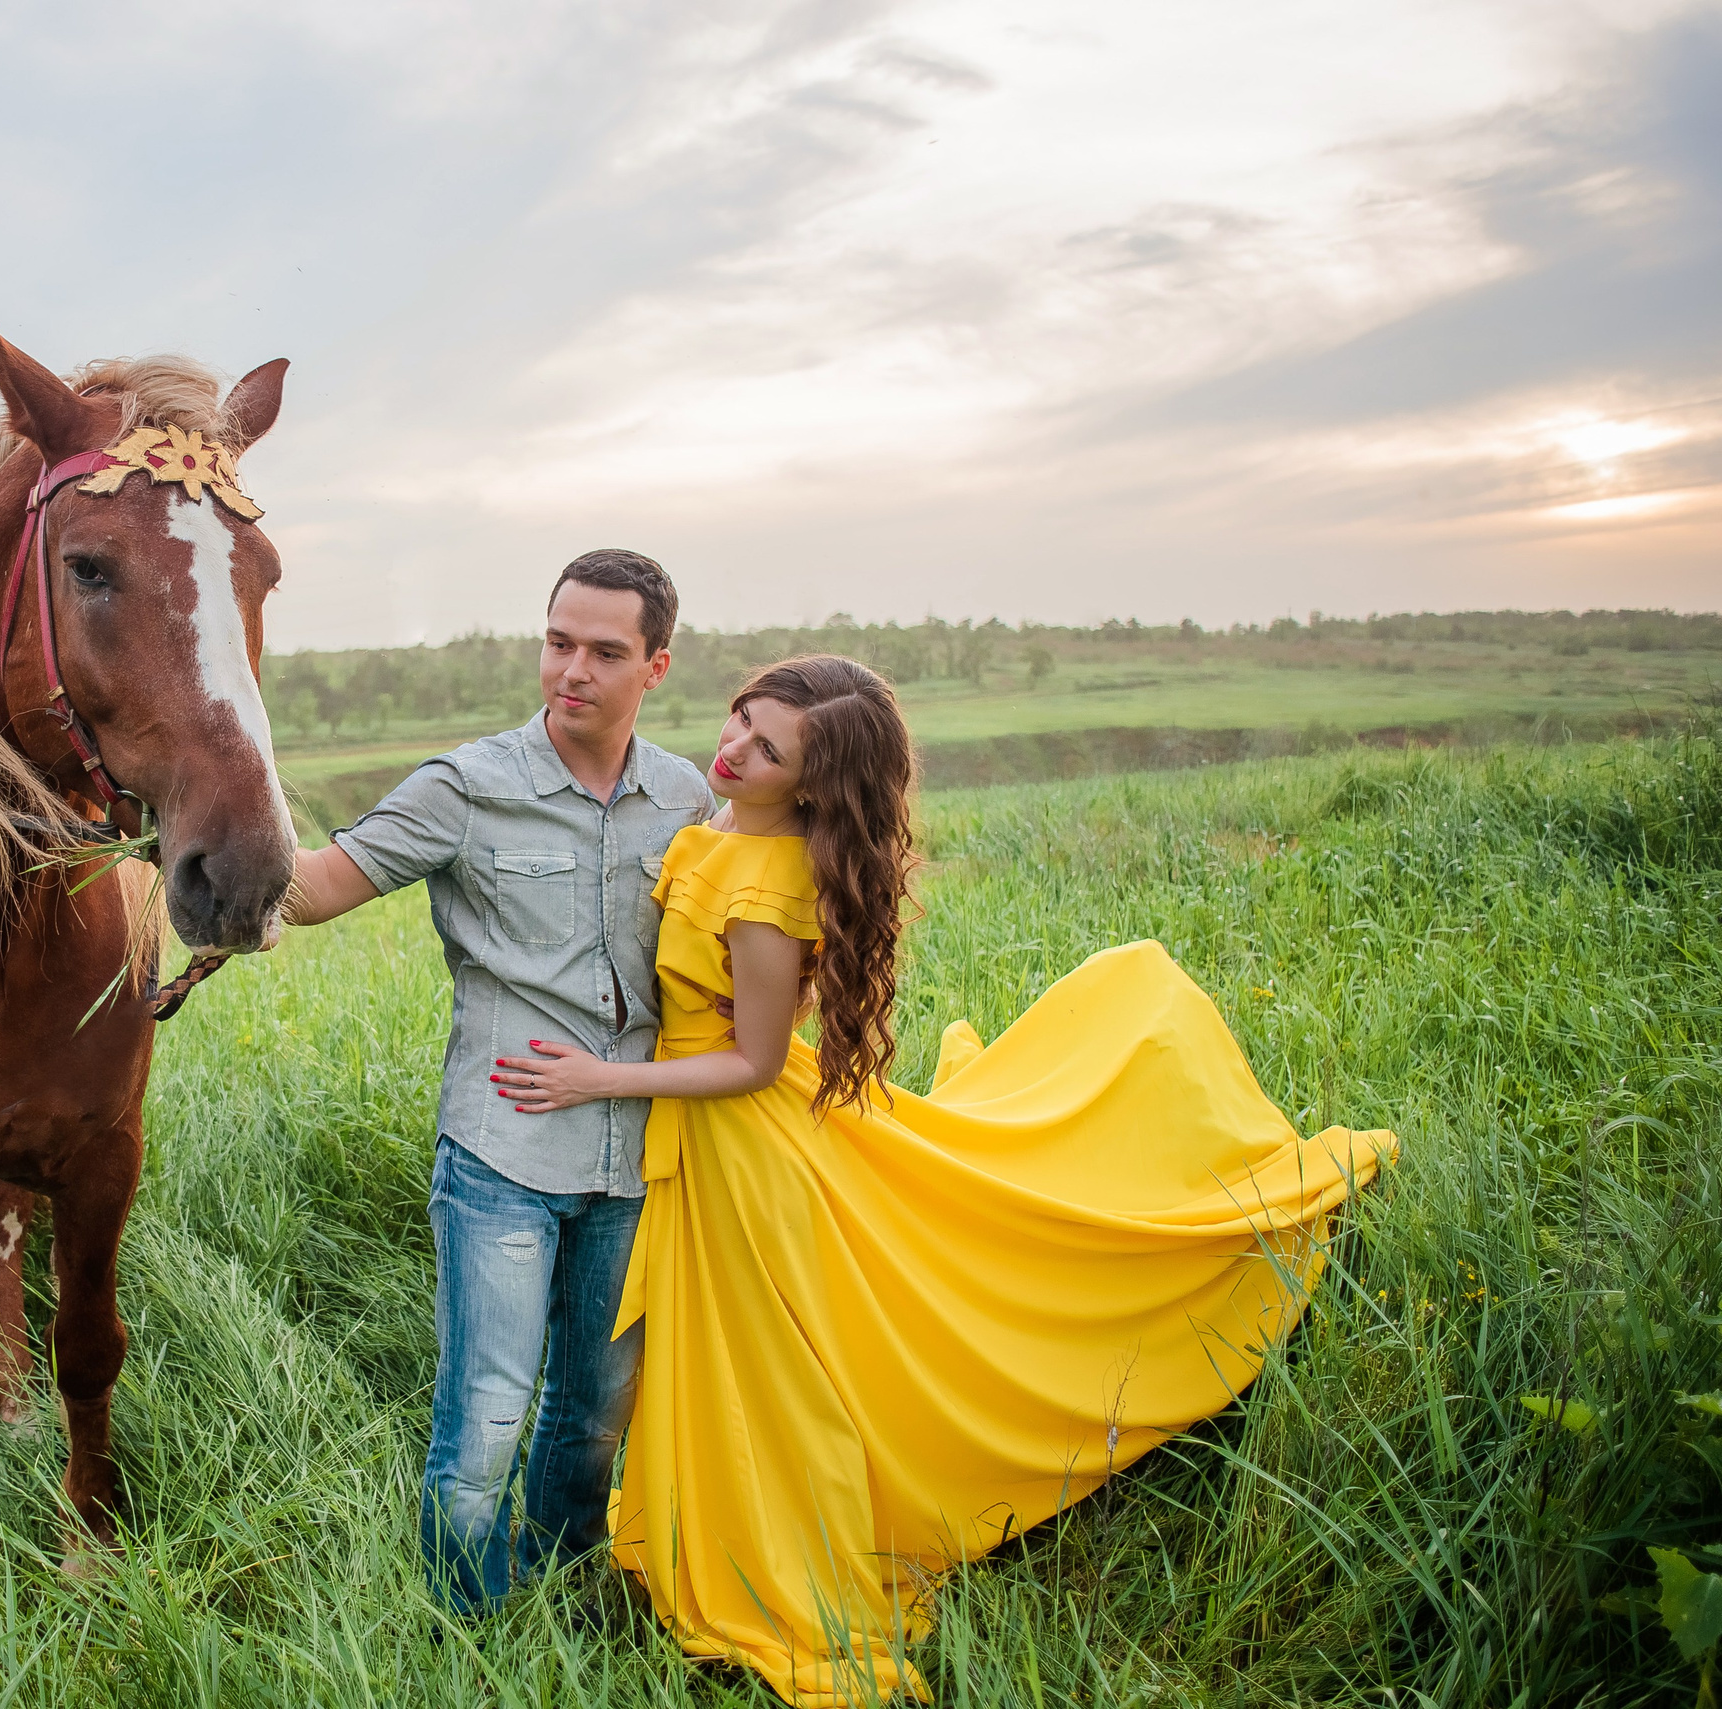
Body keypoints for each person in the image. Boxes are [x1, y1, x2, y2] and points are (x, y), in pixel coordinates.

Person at [494, 655, 1397, 1703]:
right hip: (707, 1130)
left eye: (767, 745)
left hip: (741, 1139)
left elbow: (748, 1056)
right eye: (741, 717)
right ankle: (702, 1522)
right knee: (721, 1351)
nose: (733, 744)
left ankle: (775, 1551)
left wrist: (597, 1076)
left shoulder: (768, 883)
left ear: (813, 785)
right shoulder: (720, 830)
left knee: (760, 1361)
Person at [280, 549, 711, 1615]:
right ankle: (467, 1619)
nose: (572, 669)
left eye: (604, 651)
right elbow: (315, 889)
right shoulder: (466, 786)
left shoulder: (688, 797)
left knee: (598, 1406)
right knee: (486, 1413)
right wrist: (170, 825)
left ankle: (564, 1577)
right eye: (557, 640)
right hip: (501, 1153)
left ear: (654, 665)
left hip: (633, 1154)